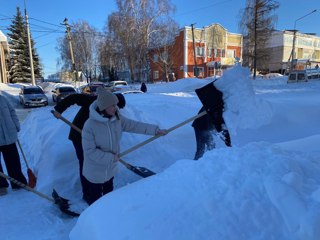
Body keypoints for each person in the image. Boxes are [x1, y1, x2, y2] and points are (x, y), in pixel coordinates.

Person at [82, 87, 167, 205]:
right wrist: (110, 157)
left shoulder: (117, 119)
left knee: (108, 199)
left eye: (115, 104)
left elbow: (134, 125)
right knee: (95, 203)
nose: (115, 107)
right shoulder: (90, 125)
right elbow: (90, 151)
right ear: (103, 107)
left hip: (110, 170)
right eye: (112, 105)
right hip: (95, 172)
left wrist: (155, 130)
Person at [53, 92, 126, 200]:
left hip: (95, 137)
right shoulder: (93, 100)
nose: (116, 110)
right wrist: (59, 109)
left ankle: (102, 192)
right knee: (87, 164)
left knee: (100, 162)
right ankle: (88, 195)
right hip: (79, 135)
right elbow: (74, 97)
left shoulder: (110, 112)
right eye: (115, 106)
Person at [0, 94, 27, 196]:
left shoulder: (2, 98)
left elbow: (12, 112)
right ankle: (1, 185)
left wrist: (16, 125)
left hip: (9, 134)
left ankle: (18, 182)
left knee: (13, 159)